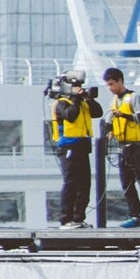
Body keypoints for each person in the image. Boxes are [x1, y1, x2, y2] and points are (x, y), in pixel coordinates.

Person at [99, 67, 140, 228]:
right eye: (107, 85)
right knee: (127, 184)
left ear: (119, 81)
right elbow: (108, 121)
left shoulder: (134, 98)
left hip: (138, 147)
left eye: (111, 84)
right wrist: (108, 131)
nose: (110, 88)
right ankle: (134, 215)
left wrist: (123, 115)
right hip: (123, 147)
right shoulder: (114, 102)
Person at [49, 71, 102, 228]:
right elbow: (70, 116)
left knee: (84, 184)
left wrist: (88, 99)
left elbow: (97, 112)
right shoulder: (61, 103)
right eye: (76, 86)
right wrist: (76, 99)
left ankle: (78, 218)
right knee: (71, 183)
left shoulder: (82, 102)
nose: (79, 88)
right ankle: (66, 219)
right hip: (68, 147)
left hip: (82, 147)